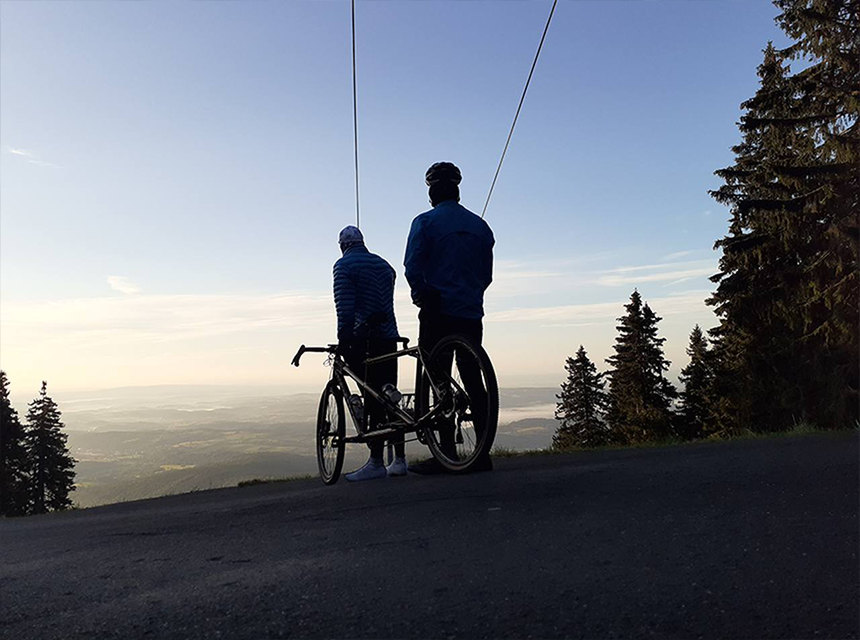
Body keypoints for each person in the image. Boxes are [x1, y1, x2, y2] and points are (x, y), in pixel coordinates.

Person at [404, 162, 495, 474]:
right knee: (473, 377)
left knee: (437, 377)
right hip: (470, 310)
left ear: (432, 191)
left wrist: (421, 294)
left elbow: (412, 266)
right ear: (457, 189)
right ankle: (482, 453)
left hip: (438, 309)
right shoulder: (480, 226)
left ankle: (445, 452)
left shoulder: (425, 222)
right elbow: (486, 274)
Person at [333, 225, 406, 481]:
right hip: (390, 336)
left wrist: (344, 339)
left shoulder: (343, 267)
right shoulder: (384, 265)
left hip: (365, 338)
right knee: (389, 393)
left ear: (342, 246)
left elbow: (345, 307)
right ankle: (399, 459)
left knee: (371, 393)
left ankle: (375, 462)